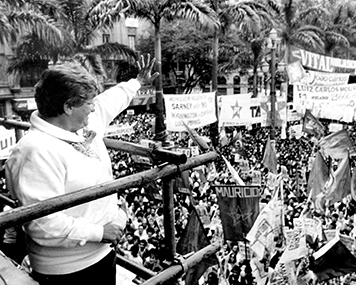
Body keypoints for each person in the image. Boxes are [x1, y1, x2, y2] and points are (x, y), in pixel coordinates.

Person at [5, 54, 159, 285]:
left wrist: (137, 82)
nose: (94, 108)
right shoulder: (34, 152)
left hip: (103, 256)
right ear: (68, 106)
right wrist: (99, 232)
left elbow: (111, 100)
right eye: (88, 102)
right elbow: (42, 224)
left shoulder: (80, 126)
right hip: (68, 273)